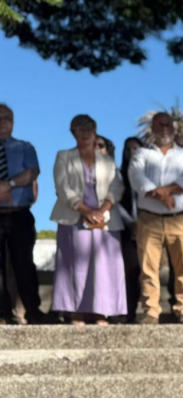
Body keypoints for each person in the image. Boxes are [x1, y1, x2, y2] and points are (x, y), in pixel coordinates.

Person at [49, 114, 126, 325]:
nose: (84, 134)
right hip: (74, 217)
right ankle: (77, 312)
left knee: (104, 267)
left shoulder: (107, 161)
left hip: (106, 218)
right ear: (73, 132)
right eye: (79, 129)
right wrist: (85, 210)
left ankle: (102, 311)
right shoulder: (64, 156)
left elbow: (116, 187)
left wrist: (101, 210)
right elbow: (62, 187)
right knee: (76, 265)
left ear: (95, 132)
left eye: (88, 129)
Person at [128, 112, 183, 324]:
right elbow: (136, 176)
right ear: (152, 128)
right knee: (148, 267)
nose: (164, 128)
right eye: (160, 125)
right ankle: (151, 310)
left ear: (174, 128)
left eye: (168, 124)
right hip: (149, 218)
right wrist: (161, 194)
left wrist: (165, 192)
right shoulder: (141, 153)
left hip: (180, 218)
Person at [0, 102, 44, 325]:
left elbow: (31, 173)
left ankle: (33, 310)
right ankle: (2, 313)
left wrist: (8, 184)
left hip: (19, 214)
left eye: (7, 118)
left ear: (13, 122)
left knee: (24, 263)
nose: (2, 123)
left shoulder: (25, 147)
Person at [117, 136, 143, 323]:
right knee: (129, 271)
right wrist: (130, 222)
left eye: (136, 149)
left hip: (149, 227)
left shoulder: (150, 174)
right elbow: (114, 201)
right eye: (128, 149)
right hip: (125, 229)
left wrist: (141, 222)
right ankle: (129, 312)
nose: (132, 153)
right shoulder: (118, 174)